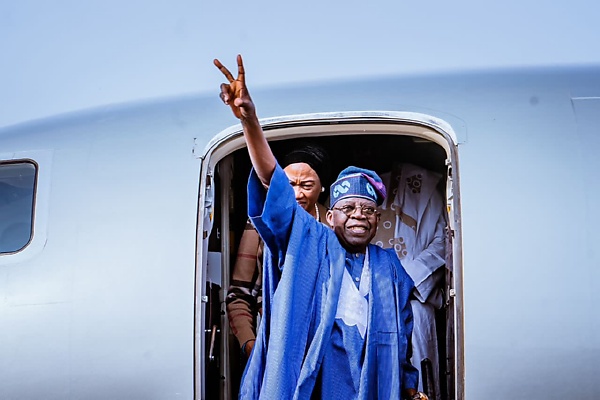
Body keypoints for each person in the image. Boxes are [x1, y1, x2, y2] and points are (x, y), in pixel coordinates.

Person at [214, 54, 427, 400]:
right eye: (348, 208)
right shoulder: (310, 244)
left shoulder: (390, 268)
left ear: (378, 220)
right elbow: (273, 182)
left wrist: (409, 387)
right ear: (331, 217)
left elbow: (402, 339)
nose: (359, 215)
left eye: (368, 210)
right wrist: (250, 121)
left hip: (374, 385)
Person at [226, 142, 331, 360]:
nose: (297, 194)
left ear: (322, 187)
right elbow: (238, 294)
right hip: (275, 344)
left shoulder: (334, 226)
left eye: (307, 185)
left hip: (325, 346)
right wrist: (250, 344)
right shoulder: (259, 225)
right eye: (290, 184)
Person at [371, 162, 446, 400]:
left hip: (415, 300)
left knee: (420, 376)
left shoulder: (426, 184)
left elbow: (444, 242)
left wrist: (406, 280)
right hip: (371, 301)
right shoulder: (360, 193)